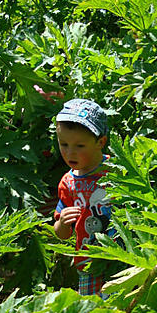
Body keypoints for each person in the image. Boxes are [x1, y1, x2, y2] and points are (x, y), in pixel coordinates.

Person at [53, 98, 112, 297]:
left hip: (122, 259)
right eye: (64, 144)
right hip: (88, 263)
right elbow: (62, 234)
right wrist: (62, 222)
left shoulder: (116, 171)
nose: (70, 152)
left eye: (79, 146)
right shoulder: (67, 183)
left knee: (125, 310)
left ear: (100, 142)